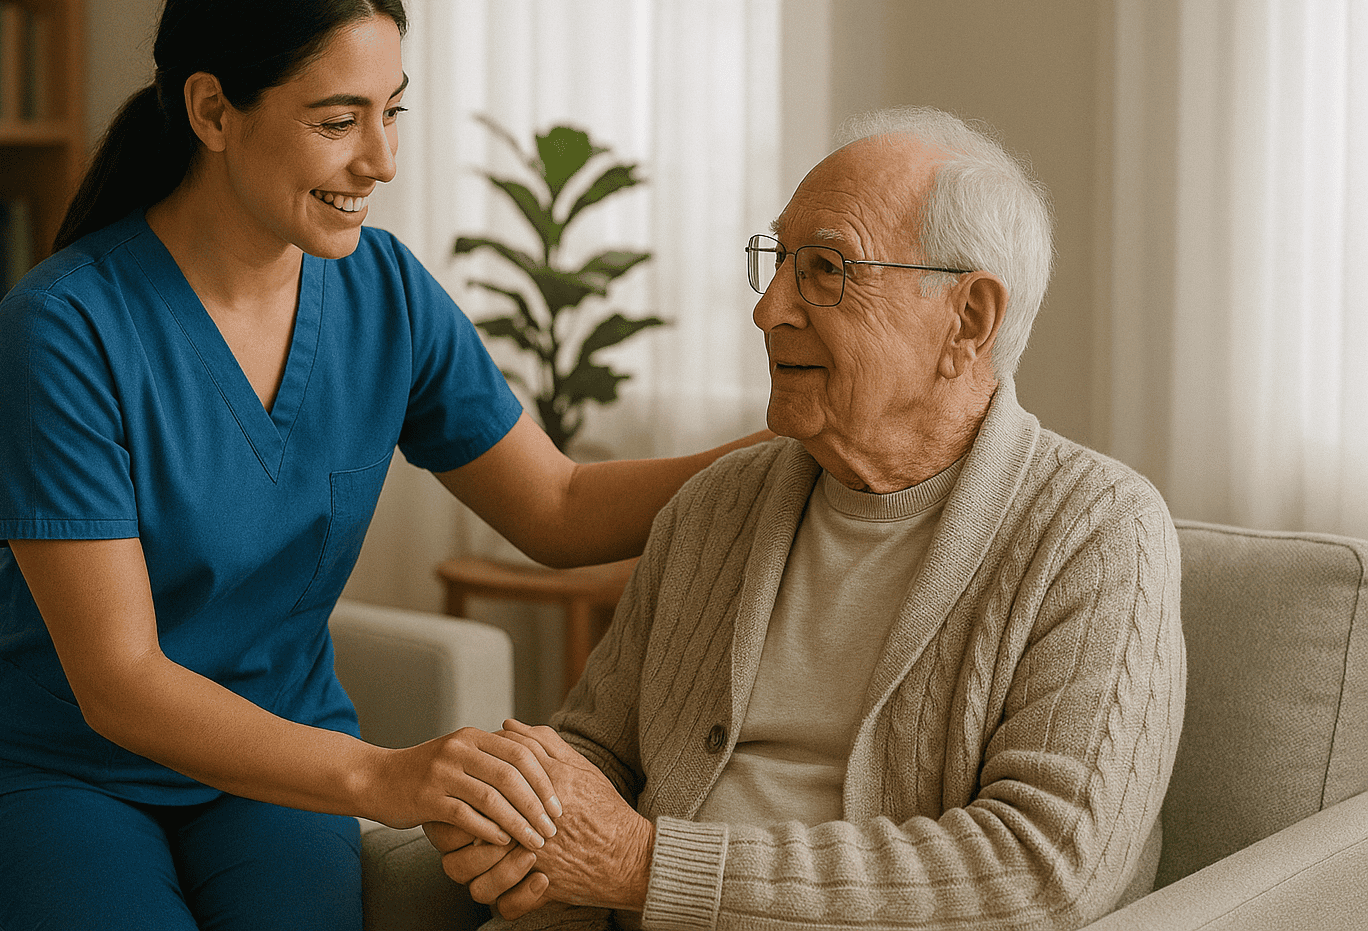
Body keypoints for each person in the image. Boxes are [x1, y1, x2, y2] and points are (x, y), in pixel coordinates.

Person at [0, 0, 766, 931]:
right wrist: (384, 774)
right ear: (213, 111)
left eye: (393, 112)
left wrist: (788, 446)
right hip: (49, 772)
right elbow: (122, 683)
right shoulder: (65, 326)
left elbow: (559, 506)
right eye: (338, 120)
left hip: (271, 765)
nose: (382, 160)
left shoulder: (385, 293)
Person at [426, 106, 1186, 931]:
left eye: (826, 269)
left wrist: (646, 867)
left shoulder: (1098, 534)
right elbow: (599, 748)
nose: (770, 310)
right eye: (779, 261)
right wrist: (518, 810)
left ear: (968, 320)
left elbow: (1043, 869)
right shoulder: (717, 504)